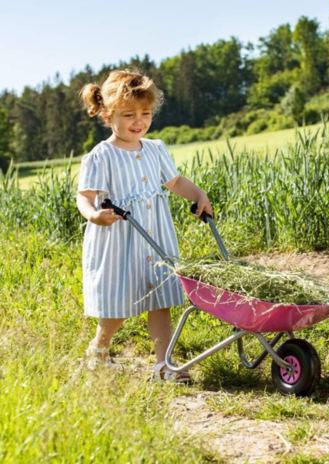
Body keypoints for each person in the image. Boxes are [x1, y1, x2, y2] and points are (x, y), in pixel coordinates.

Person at [77, 69, 213, 382]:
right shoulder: (101, 156)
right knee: (119, 305)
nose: (139, 121)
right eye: (129, 114)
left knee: (162, 298)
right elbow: (84, 197)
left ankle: (164, 365)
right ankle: (99, 348)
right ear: (108, 114)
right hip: (119, 241)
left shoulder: (155, 149)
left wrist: (198, 194)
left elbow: (175, 181)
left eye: (145, 113)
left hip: (156, 237)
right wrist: (94, 215)